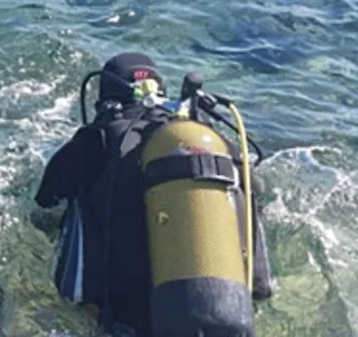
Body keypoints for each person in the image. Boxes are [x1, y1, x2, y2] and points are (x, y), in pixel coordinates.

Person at [35, 53, 273, 337]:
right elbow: (257, 196)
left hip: (128, 322)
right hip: (229, 316)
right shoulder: (212, 139)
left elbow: (45, 200)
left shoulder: (98, 139)